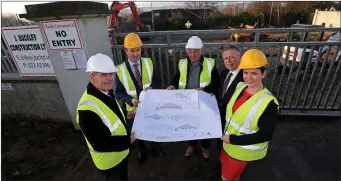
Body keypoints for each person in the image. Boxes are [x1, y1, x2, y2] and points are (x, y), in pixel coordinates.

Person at [220, 49, 279, 181]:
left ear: (263, 74)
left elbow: (265, 135)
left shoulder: (269, 103)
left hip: (242, 151)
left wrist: (232, 140)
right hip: (227, 145)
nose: (248, 77)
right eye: (246, 72)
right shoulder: (240, 86)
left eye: (254, 73)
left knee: (226, 178)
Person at [76, 53, 136, 181]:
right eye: (104, 74)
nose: (110, 78)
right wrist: (128, 140)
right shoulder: (86, 109)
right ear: (92, 78)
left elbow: (109, 115)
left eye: (111, 74)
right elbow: (100, 143)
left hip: (120, 153)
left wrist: (125, 115)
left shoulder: (105, 91)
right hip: (110, 162)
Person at [115, 33, 165, 164]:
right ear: (125, 51)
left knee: (154, 127)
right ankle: (140, 151)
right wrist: (129, 100)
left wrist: (152, 88)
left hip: (150, 106)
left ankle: (156, 147)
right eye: (132, 50)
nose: (136, 54)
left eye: (138, 50)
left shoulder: (148, 62)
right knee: (137, 133)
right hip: (133, 110)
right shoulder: (119, 70)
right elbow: (119, 93)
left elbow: (157, 81)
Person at [167, 36, 219, 159]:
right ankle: (192, 145)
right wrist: (172, 85)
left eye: (195, 51)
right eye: (190, 51)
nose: (192, 54)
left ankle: (205, 147)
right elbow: (177, 77)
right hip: (187, 101)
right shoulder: (183, 63)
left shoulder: (210, 63)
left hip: (203, 101)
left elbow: (216, 83)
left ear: (201, 50)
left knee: (204, 125)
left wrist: (204, 90)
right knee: (189, 124)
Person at [215, 46, 244, 170]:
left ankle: (232, 166)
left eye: (232, 57)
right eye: (225, 58)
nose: (228, 60)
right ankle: (222, 160)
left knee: (233, 144)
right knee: (220, 141)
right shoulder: (224, 73)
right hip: (221, 116)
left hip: (234, 119)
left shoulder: (245, 77)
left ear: (240, 57)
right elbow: (217, 90)